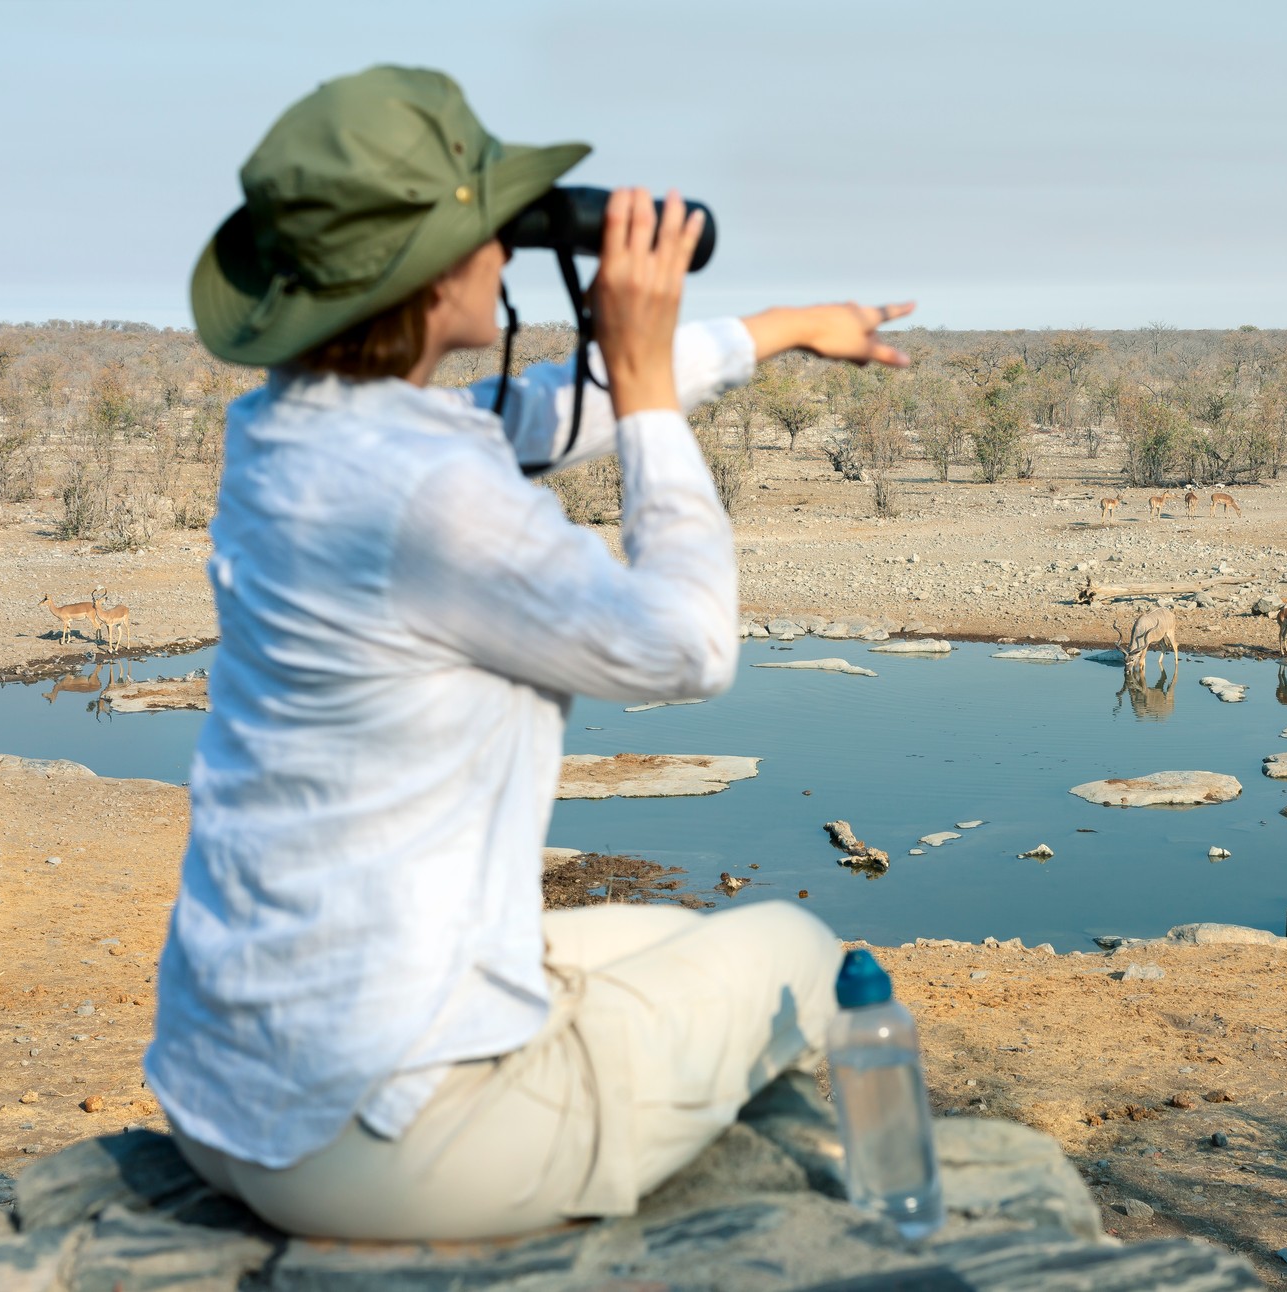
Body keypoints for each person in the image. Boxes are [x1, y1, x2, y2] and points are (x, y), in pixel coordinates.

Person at [145, 65, 913, 1241]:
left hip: (231, 1095)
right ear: (436, 266)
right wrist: (648, 377)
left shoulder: (290, 430)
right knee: (805, 952)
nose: (506, 250)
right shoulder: (429, 493)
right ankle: (877, 1226)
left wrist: (784, 331)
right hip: (393, 1148)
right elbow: (689, 647)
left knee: (676, 937)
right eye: (486, 225)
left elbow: (546, 408)